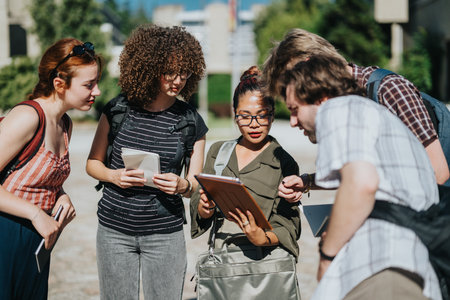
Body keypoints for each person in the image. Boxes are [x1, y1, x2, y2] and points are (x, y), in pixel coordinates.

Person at [281, 55, 441, 300]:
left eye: (294, 110)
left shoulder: (337, 108)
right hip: (406, 268)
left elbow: (362, 183)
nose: (292, 122)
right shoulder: (369, 113)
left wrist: (327, 256)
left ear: (321, 98)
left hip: (383, 270)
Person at [86, 24, 208, 299]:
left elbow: (196, 185)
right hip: (113, 231)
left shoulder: (191, 121)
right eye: (170, 72)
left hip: (165, 234)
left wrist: (181, 185)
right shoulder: (117, 109)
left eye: (185, 71)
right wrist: (114, 176)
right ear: (151, 67)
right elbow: (92, 163)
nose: (178, 80)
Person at [263, 28, 449, 195]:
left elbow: (436, 173)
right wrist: (308, 181)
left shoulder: (389, 89)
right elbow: (361, 172)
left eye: (293, 85)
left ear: (309, 66)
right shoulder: (342, 107)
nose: (293, 121)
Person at [0, 38, 101, 299]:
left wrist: (60, 194)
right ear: (59, 84)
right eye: (89, 84)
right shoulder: (28, 117)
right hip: (7, 233)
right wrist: (35, 214)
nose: (97, 91)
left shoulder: (65, 124)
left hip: (37, 239)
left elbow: (36, 174)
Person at [190, 66, 301, 296]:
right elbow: (197, 204)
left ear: (272, 113)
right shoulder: (218, 152)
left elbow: (290, 224)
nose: (254, 124)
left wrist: (263, 237)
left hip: (266, 268)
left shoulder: (284, 162)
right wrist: (204, 208)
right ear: (234, 114)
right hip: (223, 264)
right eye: (245, 116)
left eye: (262, 115)